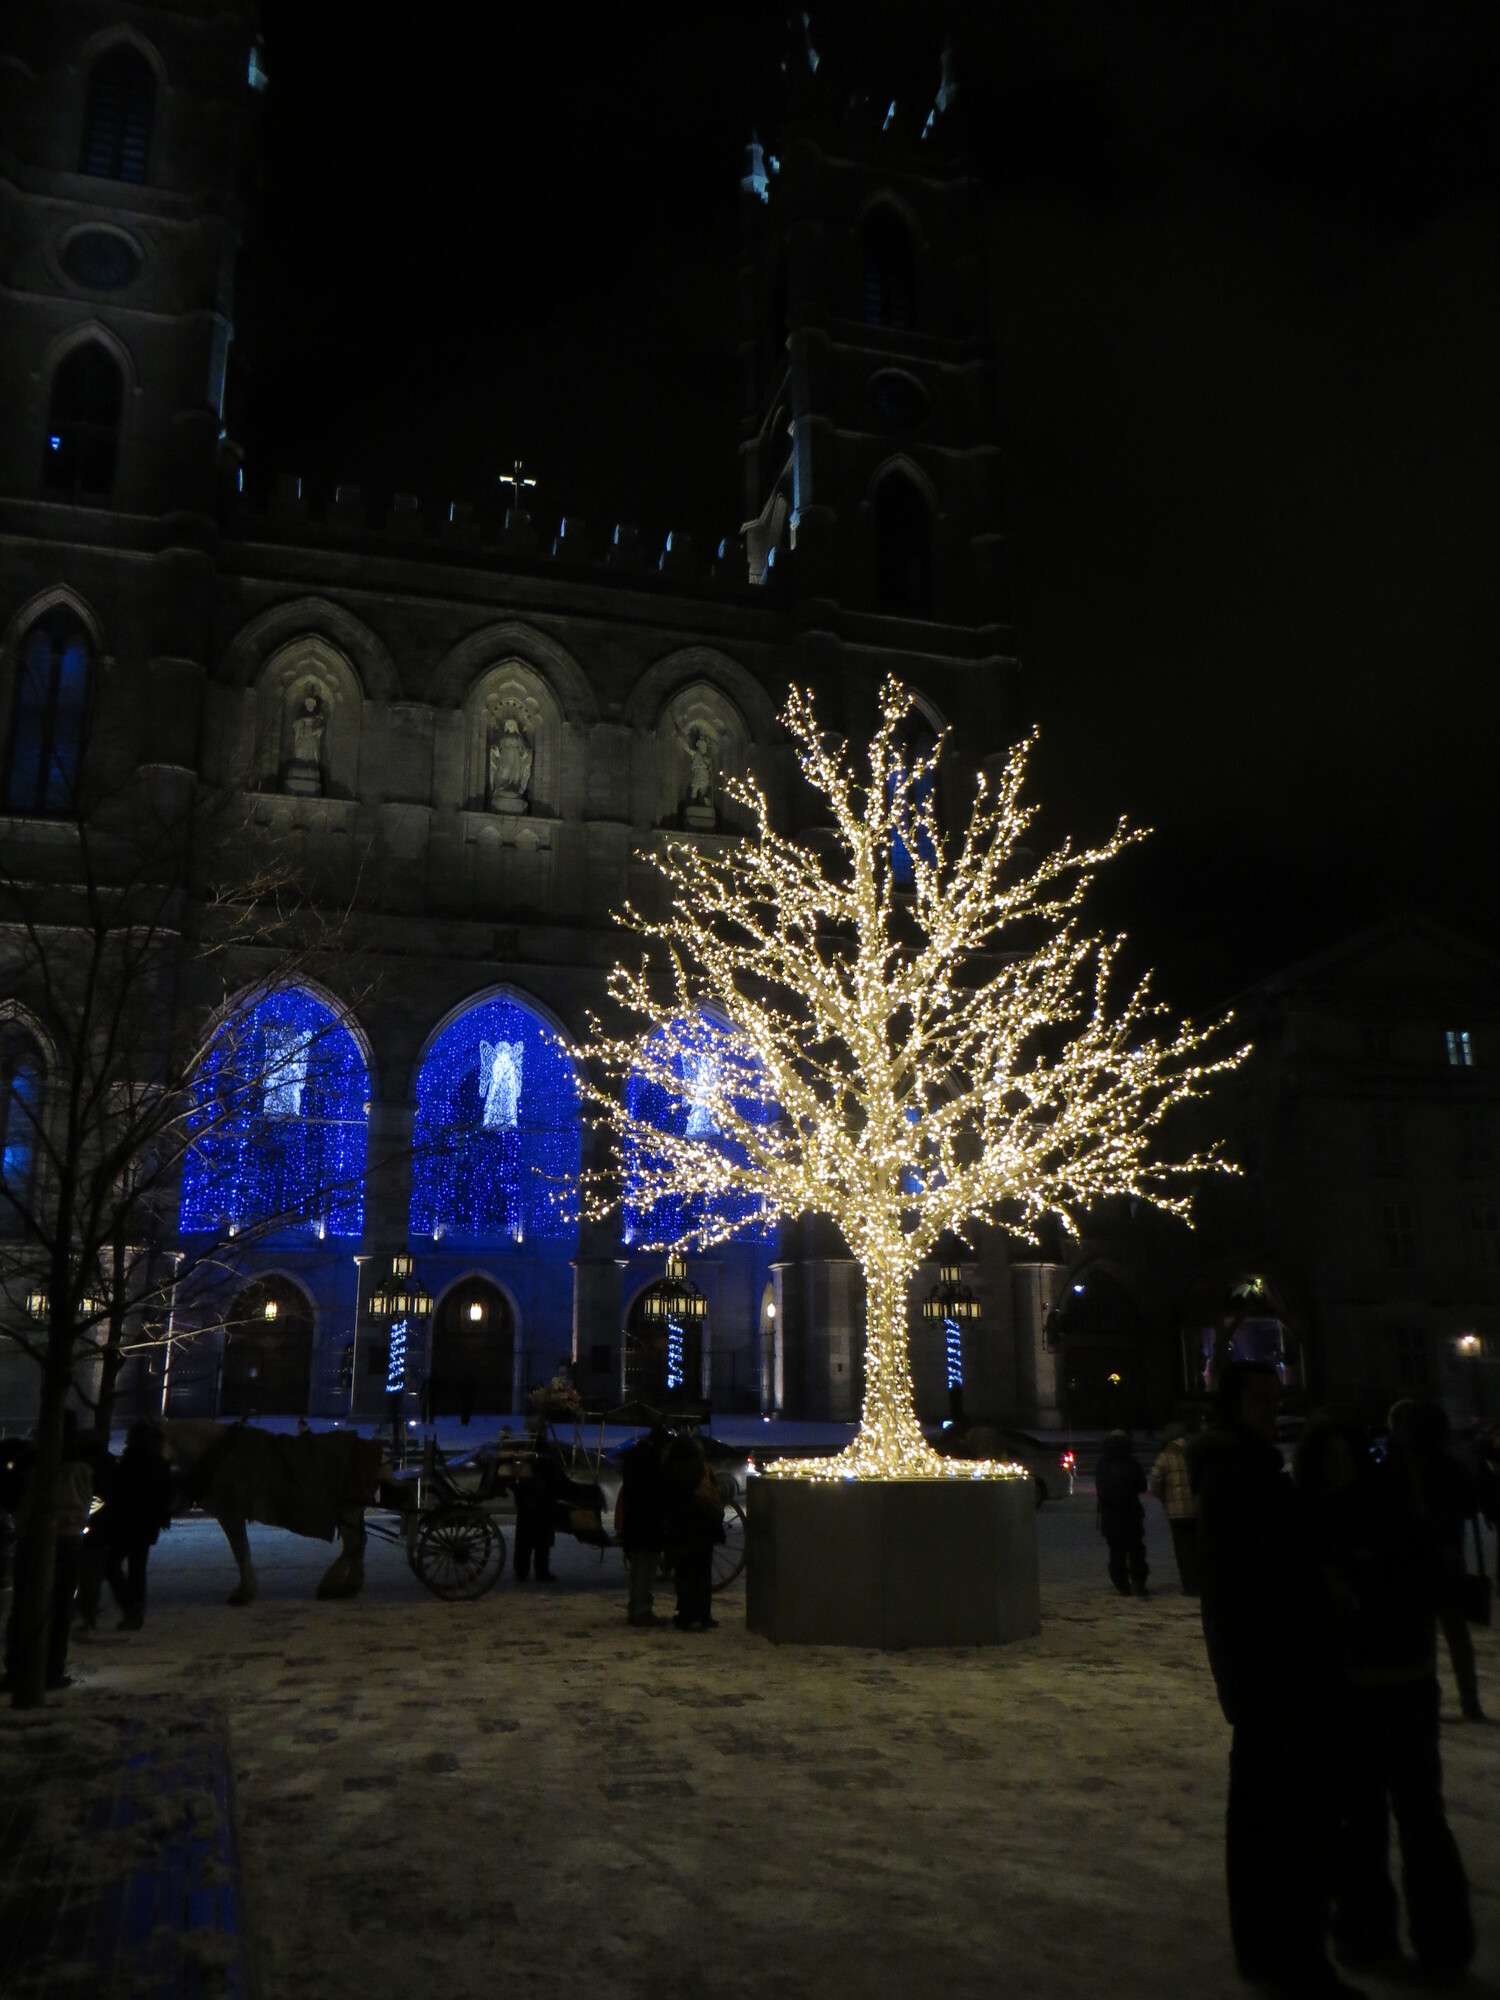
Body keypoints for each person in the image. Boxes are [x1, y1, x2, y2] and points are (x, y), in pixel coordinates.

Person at [1196, 1362, 1357, 1996]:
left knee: (1259, 1820)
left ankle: (1263, 1947)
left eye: (1276, 1398)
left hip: (1260, 1676)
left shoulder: (1241, 1470)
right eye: (1263, 1399)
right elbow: (1265, 1581)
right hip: (1279, 1676)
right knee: (1293, 1824)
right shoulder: (1246, 1476)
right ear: (1235, 1404)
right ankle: (1296, 1958)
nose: (1274, 1410)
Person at [1297, 1412, 1474, 1985]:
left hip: (1401, 1686)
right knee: (1364, 1822)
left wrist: (1364, 1588)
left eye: (1346, 1458)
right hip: (1356, 1692)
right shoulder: (1317, 1523)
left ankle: (1439, 1943)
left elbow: (1426, 1590)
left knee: (1417, 1818)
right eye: (1330, 1462)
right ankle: (1371, 1934)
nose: (1340, 1471)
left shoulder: (1392, 1517)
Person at [1389, 1400, 1484, 1722]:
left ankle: (1429, 1696)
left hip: (1414, 1562)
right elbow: (1470, 1508)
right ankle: (1470, 1701)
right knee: (1457, 1633)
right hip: (1450, 1557)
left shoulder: (1403, 1468)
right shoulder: (1453, 1466)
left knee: (1424, 1634)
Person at [105, 1422, 175, 1631]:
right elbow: (165, 1494)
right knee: (137, 1568)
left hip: (128, 1522)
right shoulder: (158, 1463)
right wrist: (161, 1517)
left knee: (111, 1565)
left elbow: (119, 1491)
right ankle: (135, 1610)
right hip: (146, 1524)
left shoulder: (131, 1461)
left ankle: (132, 1607)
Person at [663, 1432, 722, 1631]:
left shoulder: (670, 1468)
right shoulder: (702, 1466)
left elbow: (667, 1498)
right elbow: (713, 1488)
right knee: (703, 1572)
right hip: (703, 1525)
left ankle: (686, 1614)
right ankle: (704, 1614)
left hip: (681, 1528)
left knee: (684, 1572)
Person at [618, 1423, 667, 1627]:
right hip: (648, 1521)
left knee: (637, 1567)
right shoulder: (652, 1459)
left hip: (633, 1519)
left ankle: (635, 1608)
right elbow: (656, 1490)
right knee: (647, 1567)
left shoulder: (633, 1454)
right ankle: (642, 1610)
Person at [1095, 1430, 1149, 1596]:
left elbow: (1100, 1488)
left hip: (1110, 1514)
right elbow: (1142, 1486)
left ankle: (1122, 1584)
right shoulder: (1132, 1462)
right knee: (1136, 1550)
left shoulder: (1102, 1463)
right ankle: (1138, 1581)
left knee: (1116, 1552)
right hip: (1131, 1512)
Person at [1149, 1420, 1199, 1595]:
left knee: (1182, 1549)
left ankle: (1190, 1585)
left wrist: (1161, 1495)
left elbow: (1155, 1480)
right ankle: (1200, 1581)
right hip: (1195, 1507)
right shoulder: (1193, 1453)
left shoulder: (1165, 1456)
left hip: (1175, 1510)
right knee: (1196, 1546)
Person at [513, 1428, 559, 1582]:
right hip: (541, 1504)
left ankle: (521, 1571)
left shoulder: (526, 1458)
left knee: (523, 1542)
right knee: (542, 1542)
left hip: (527, 1504)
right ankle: (541, 1572)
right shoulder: (546, 1457)